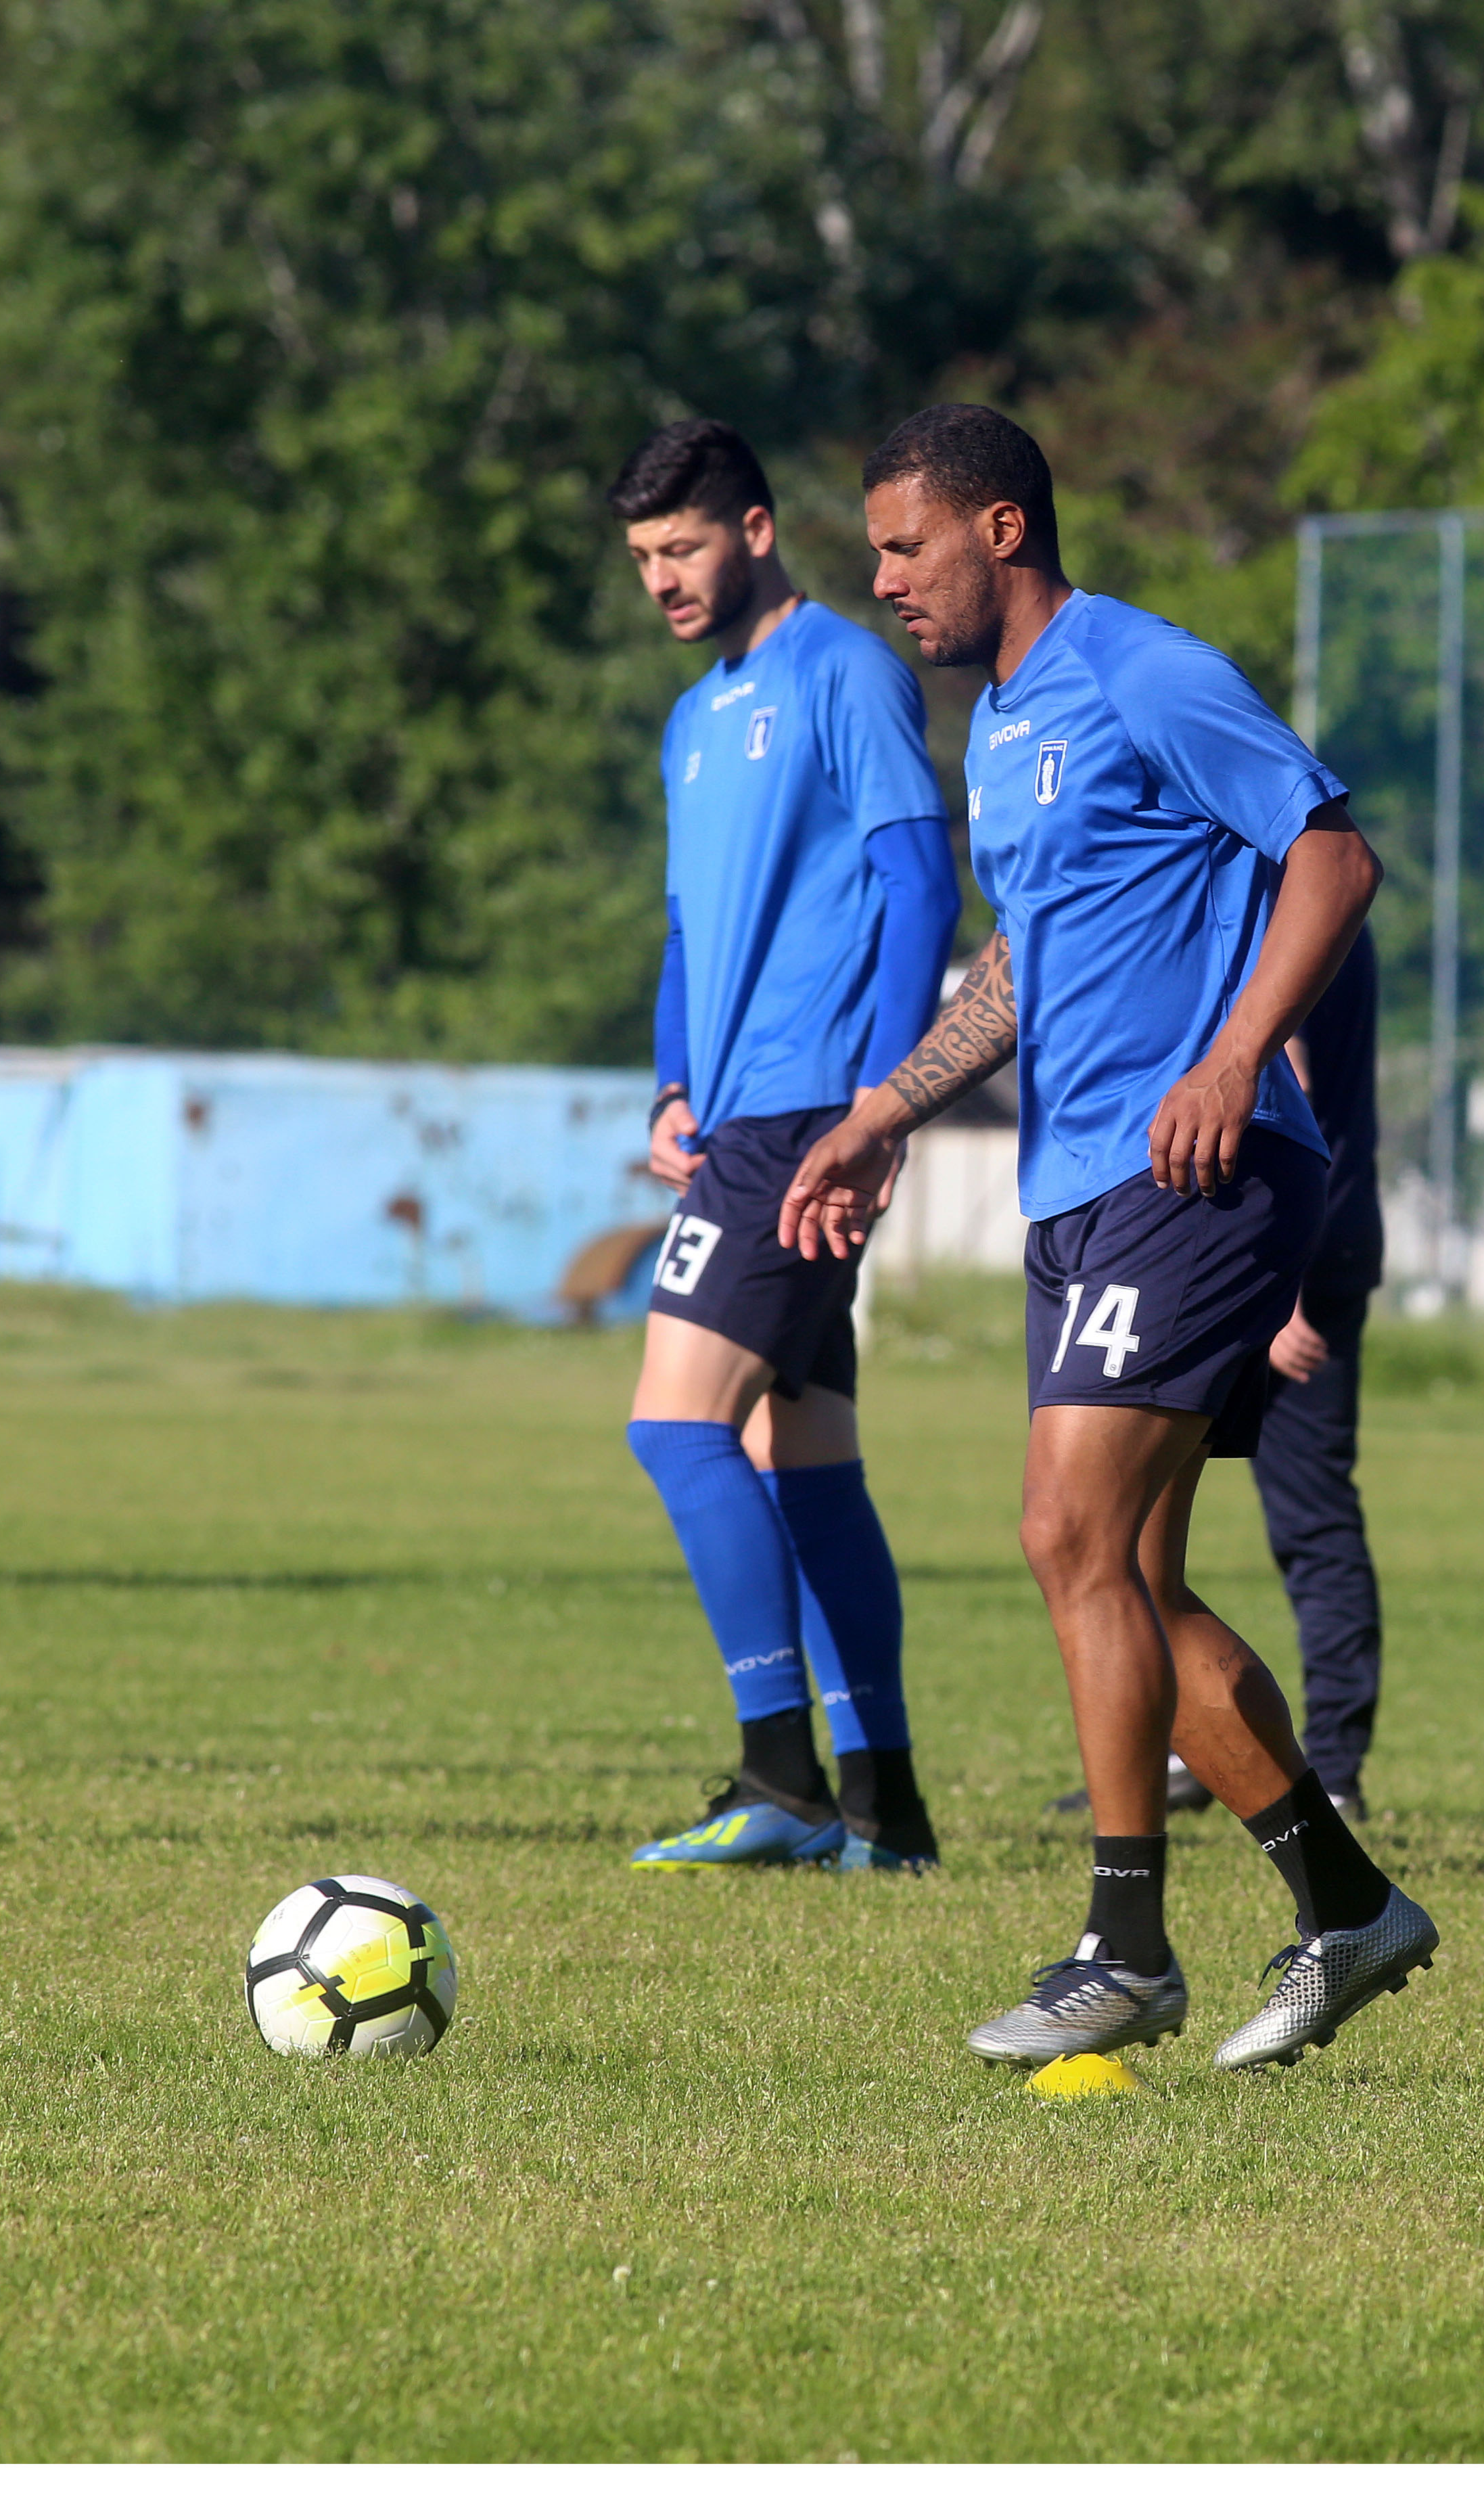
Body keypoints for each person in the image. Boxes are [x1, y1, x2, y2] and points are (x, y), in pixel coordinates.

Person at [783, 403, 1437, 2072]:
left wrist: (1231, 1059)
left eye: (905, 545)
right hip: (1076, 1188)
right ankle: (1346, 1903)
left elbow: (1335, 856)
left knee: (1064, 1531)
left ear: (1002, 530)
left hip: (1203, 1169)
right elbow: (1027, 961)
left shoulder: (1142, 670)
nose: (884, 581)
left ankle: (1125, 1945)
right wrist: (890, 1105)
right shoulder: (1001, 727)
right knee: (1127, 1572)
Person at [608, 417, 959, 1873]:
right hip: (736, 1109)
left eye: (683, 549)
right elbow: (693, 928)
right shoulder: (697, 717)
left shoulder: (845, 673)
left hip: (810, 1108)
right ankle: (885, 1801)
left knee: (676, 1423)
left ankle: (781, 1778)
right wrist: (669, 1086)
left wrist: (883, 1103)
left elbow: (923, 876)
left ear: (756, 531)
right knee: (802, 1450)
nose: (664, 582)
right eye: (642, 560)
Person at [1050, 929, 1389, 1825]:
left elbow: (1288, 1078)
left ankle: (1336, 1766)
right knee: (1138, 1552)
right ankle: (1185, 1753)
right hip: (1257, 1233)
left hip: (1272, 1246)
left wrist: (1292, 1286)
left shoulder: (1266, 893)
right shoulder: (1256, 878)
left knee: (1301, 1520)